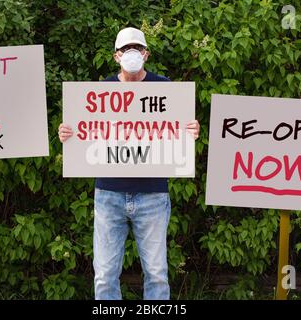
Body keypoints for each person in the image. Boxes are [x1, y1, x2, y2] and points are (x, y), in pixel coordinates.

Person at [58, 27, 199, 300]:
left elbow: (178, 130)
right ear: (116, 56)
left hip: (153, 195)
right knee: (104, 275)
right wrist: (68, 133)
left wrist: (190, 130)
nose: (132, 53)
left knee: (157, 274)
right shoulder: (99, 92)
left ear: (145, 54)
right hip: (109, 194)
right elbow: (85, 132)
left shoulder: (165, 89)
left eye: (137, 48)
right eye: (126, 49)